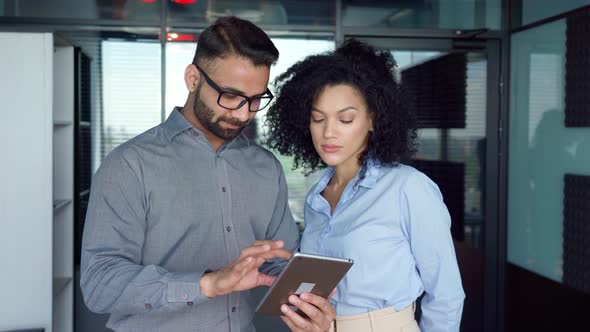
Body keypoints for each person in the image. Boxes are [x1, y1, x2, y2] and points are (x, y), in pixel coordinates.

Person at [80, 16, 335, 332]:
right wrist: (207, 284)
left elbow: (278, 264)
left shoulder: (266, 167)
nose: (243, 113)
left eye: (255, 100)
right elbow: (100, 284)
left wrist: (307, 300)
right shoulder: (130, 165)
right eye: (230, 96)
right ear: (192, 79)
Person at [265, 40, 465, 332]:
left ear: (373, 119)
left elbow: (446, 295)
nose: (328, 132)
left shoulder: (407, 188)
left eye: (345, 119)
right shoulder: (315, 199)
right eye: (318, 118)